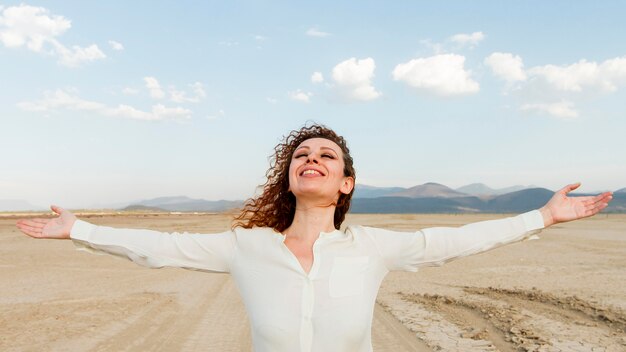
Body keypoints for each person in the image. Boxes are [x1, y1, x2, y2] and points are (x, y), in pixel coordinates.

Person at [16, 124, 613, 352]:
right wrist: (81, 230)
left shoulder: (373, 247)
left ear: (345, 182)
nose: (312, 159)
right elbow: (161, 245)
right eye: (302, 154)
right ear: (290, 176)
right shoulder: (246, 246)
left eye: (326, 155)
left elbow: (455, 240)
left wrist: (543, 218)